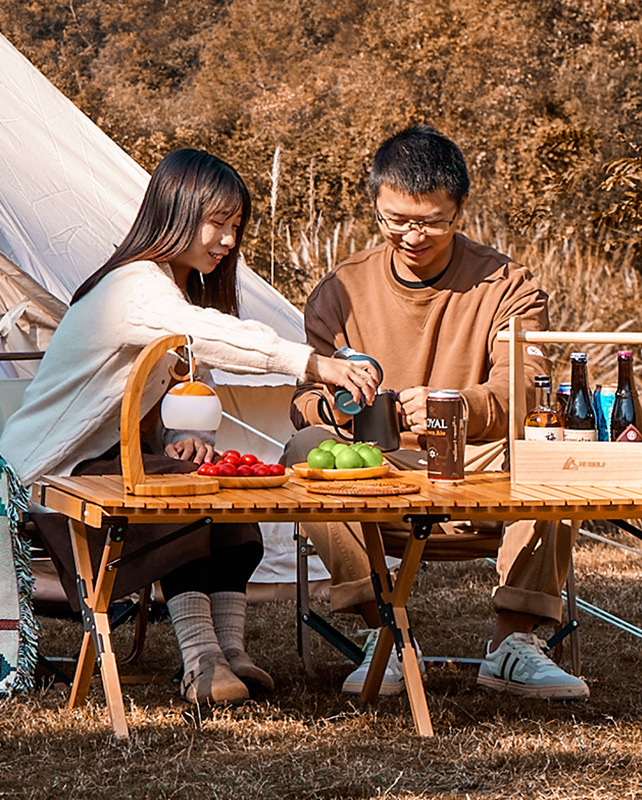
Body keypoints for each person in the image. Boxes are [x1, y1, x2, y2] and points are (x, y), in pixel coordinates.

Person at [0, 148, 378, 706]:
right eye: (217, 224)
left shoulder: (169, 288)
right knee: (184, 502)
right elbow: (204, 333)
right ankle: (200, 660)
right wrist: (312, 363)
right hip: (49, 472)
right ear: (176, 213)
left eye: (236, 228)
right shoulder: (132, 287)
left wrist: (183, 440)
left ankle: (230, 651)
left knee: (225, 495)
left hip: (104, 457)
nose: (228, 241)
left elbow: (165, 392)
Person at [285, 126, 589, 701]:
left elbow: (524, 387)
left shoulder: (508, 286)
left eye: (431, 220)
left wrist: (454, 406)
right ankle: (386, 636)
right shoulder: (341, 291)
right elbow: (303, 403)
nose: (412, 236)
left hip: (481, 470)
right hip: (381, 474)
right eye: (395, 220)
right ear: (375, 204)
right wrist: (344, 401)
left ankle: (513, 644)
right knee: (305, 451)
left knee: (552, 446)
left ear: (460, 210)